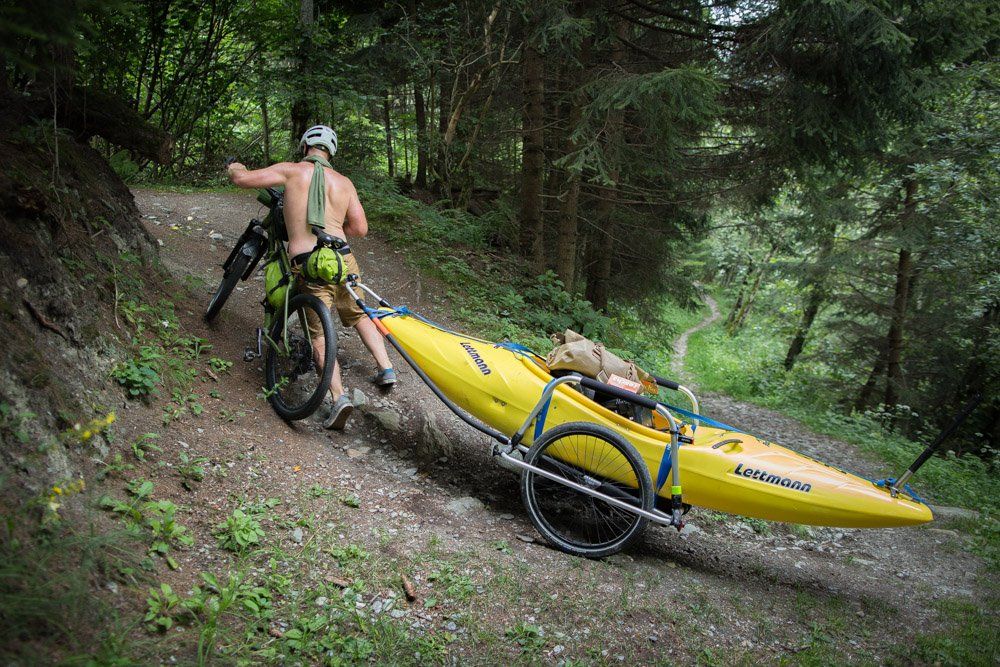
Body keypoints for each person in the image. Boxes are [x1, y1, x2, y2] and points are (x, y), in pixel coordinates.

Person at [227, 125, 395, 430]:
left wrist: (234, 167)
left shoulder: (292, 171)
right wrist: (335, 224)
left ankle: (339, 398)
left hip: (309, 263)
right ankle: (386, 368)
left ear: (305, 147)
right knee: (358, 313)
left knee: (318, 334)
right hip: (342, 258)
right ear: (331, 153)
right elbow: (360, 228)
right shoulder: (344, 183)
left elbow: (242, 179)